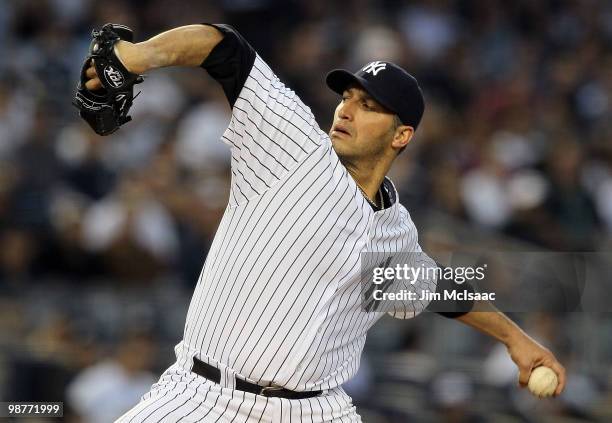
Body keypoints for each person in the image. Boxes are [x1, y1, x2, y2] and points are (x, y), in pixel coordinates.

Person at [83, 23, 566, 422]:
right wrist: (135, 57)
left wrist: (516, 339)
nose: (347, 110)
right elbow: (224, 46)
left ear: (402, 135)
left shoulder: (395, 230)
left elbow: (437, 289)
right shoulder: (293, 150)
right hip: (205, 396)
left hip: (315, 412)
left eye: (368, 106)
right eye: (347, 97)